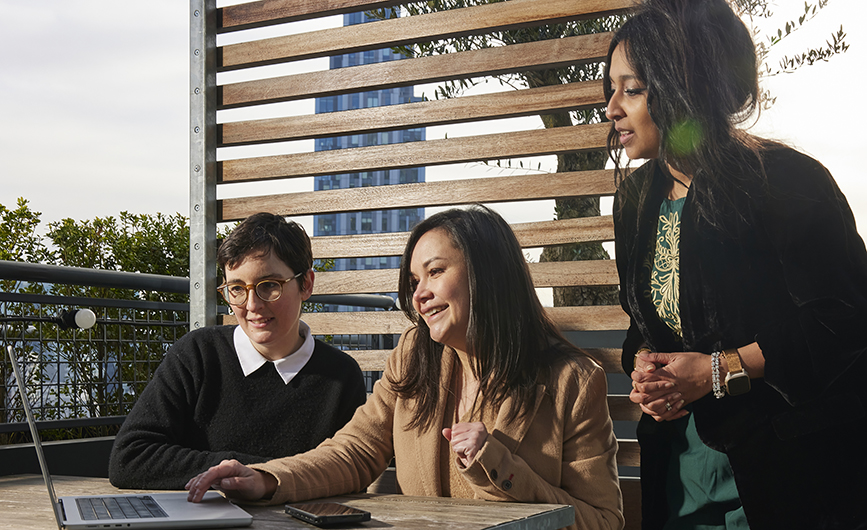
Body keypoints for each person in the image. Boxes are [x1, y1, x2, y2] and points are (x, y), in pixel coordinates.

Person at [185, 205, 624, 530]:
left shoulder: (573, 381)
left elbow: (603, 521)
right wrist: (265, 479)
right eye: (414, 282)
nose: (420, 295)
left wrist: (499, 465)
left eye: (435, 273)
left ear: (488, 274)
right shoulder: (415, 353)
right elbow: (354, 451)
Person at [607, 0, 867, 528]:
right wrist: (643, 368)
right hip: (679, 475)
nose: (611, 108)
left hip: (791, 478)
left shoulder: (787, 181)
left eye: (631, 89)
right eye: (611, 89)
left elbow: (844, 321)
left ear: (686, 83)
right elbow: (645, 320)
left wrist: (718, 371)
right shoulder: (635, 200)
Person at [109, 212, 367, 489]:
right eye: (236, 289)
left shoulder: (340, 376)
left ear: (306, 284)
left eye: (269, 286)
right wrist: (247, 472)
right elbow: (128, 458)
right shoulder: (198, 354)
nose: (252, 305)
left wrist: (259, 477)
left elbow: (347, 475)